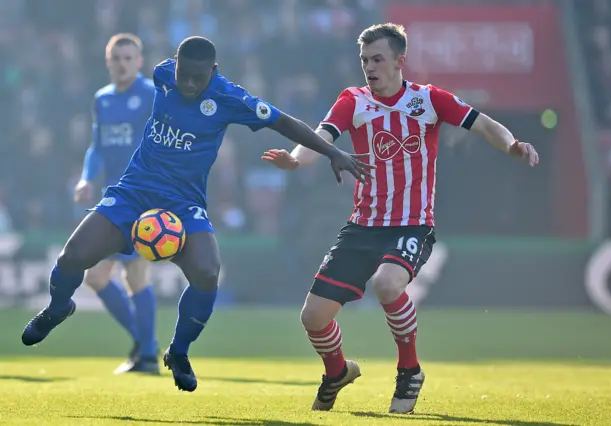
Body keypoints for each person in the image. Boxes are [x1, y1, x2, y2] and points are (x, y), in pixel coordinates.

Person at [21, 36, 372, 393]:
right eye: (183, 75)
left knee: (207, 273)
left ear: (213, 72)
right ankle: (57, 308)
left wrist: (331, 152)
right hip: (133, 192)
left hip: (183, 203)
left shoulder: (228, 97)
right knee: (72, 256)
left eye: (197, 78)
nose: (188, 83)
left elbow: (284, 123)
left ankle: (179, 351)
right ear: (174, 66)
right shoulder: (162, 75)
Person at [261, 23, 539, 414]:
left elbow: (485, 124)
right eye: (364, 60)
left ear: (399, 61)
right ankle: (337, 371)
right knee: (313, 317)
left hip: (412, 224)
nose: (369, 68)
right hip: (362, 225)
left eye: (377, 59)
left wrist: (511, 144)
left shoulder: (429, 100)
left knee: (388, 284)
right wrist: (295, 159)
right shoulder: (353, 100)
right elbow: (322, 137)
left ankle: (409, 370)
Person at [74, 33, 159, 375]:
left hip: (142, 196)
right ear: (108, 62)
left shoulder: (152, 95)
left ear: (139, 62)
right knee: (96, 276)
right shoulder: (103, 99)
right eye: (116, 58)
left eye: (128, 58)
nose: (122, 64)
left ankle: (148, 354)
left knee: (135, 274)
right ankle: (147, 347)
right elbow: (97, 146)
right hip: (113, 199)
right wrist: (86, 178)